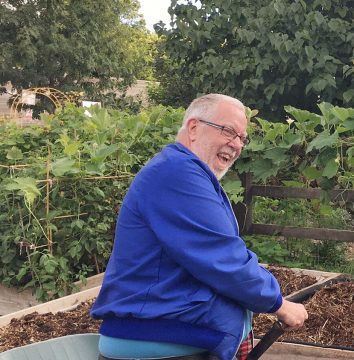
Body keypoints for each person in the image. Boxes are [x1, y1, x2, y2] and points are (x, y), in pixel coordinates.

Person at [91, 94, 308, 360]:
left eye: (242, 138)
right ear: (193, 128)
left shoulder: (186, 172)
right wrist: (278, 304)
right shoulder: (177, 173)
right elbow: (223, 258)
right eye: (229, 131)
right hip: (158, 342)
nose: (236, 144)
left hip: (172, 338)